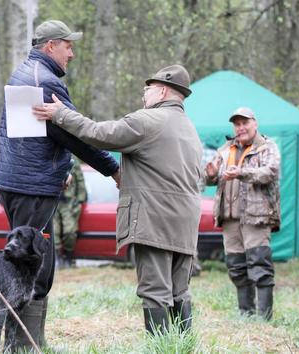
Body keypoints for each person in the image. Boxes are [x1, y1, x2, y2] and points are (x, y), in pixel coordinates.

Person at [33, 65, 203, 335]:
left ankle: (160, 349)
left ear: (161, 90)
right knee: (179, 290)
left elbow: (100, 134)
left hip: (154, 221)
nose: (143, 95)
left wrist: (61, 114)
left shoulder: (147, 121)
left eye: (147, 90)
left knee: (155, 291)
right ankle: (182, 346)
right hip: (185, 222)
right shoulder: (190, 128)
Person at [0, 20, 119, 350]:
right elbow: (74, 134)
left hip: (21, 184)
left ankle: (25, 342)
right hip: (32, 190)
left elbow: (32, 137)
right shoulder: (45, 81)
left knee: (24, 260)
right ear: (51, 46)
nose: (72, 53)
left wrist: (56, 168)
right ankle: (25, 344)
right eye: (68, 46)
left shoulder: (25, 73)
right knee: (34, 263)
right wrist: (113, 169)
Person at [205, 107, 280, 320]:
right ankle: (245, 313)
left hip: (256, 216)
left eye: (245, 123)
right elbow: (210, 177)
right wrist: (210, 175)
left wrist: (242, 173)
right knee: (236, 267)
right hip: (229, 218)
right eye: (237, 124)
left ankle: (265, 317)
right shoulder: (225, 149)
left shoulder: (267, 147)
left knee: (259, 265)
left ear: (254, 123)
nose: (241, 128)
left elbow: (270, 172)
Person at [54, 159, 87, 268]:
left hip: (68, 201)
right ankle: (58, 259)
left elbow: (80, 179)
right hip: (53, 200)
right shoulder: (48, 152)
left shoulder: (71, 157)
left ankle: (68, 258)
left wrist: (80, 199)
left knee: (70, 232)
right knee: (54, 232)